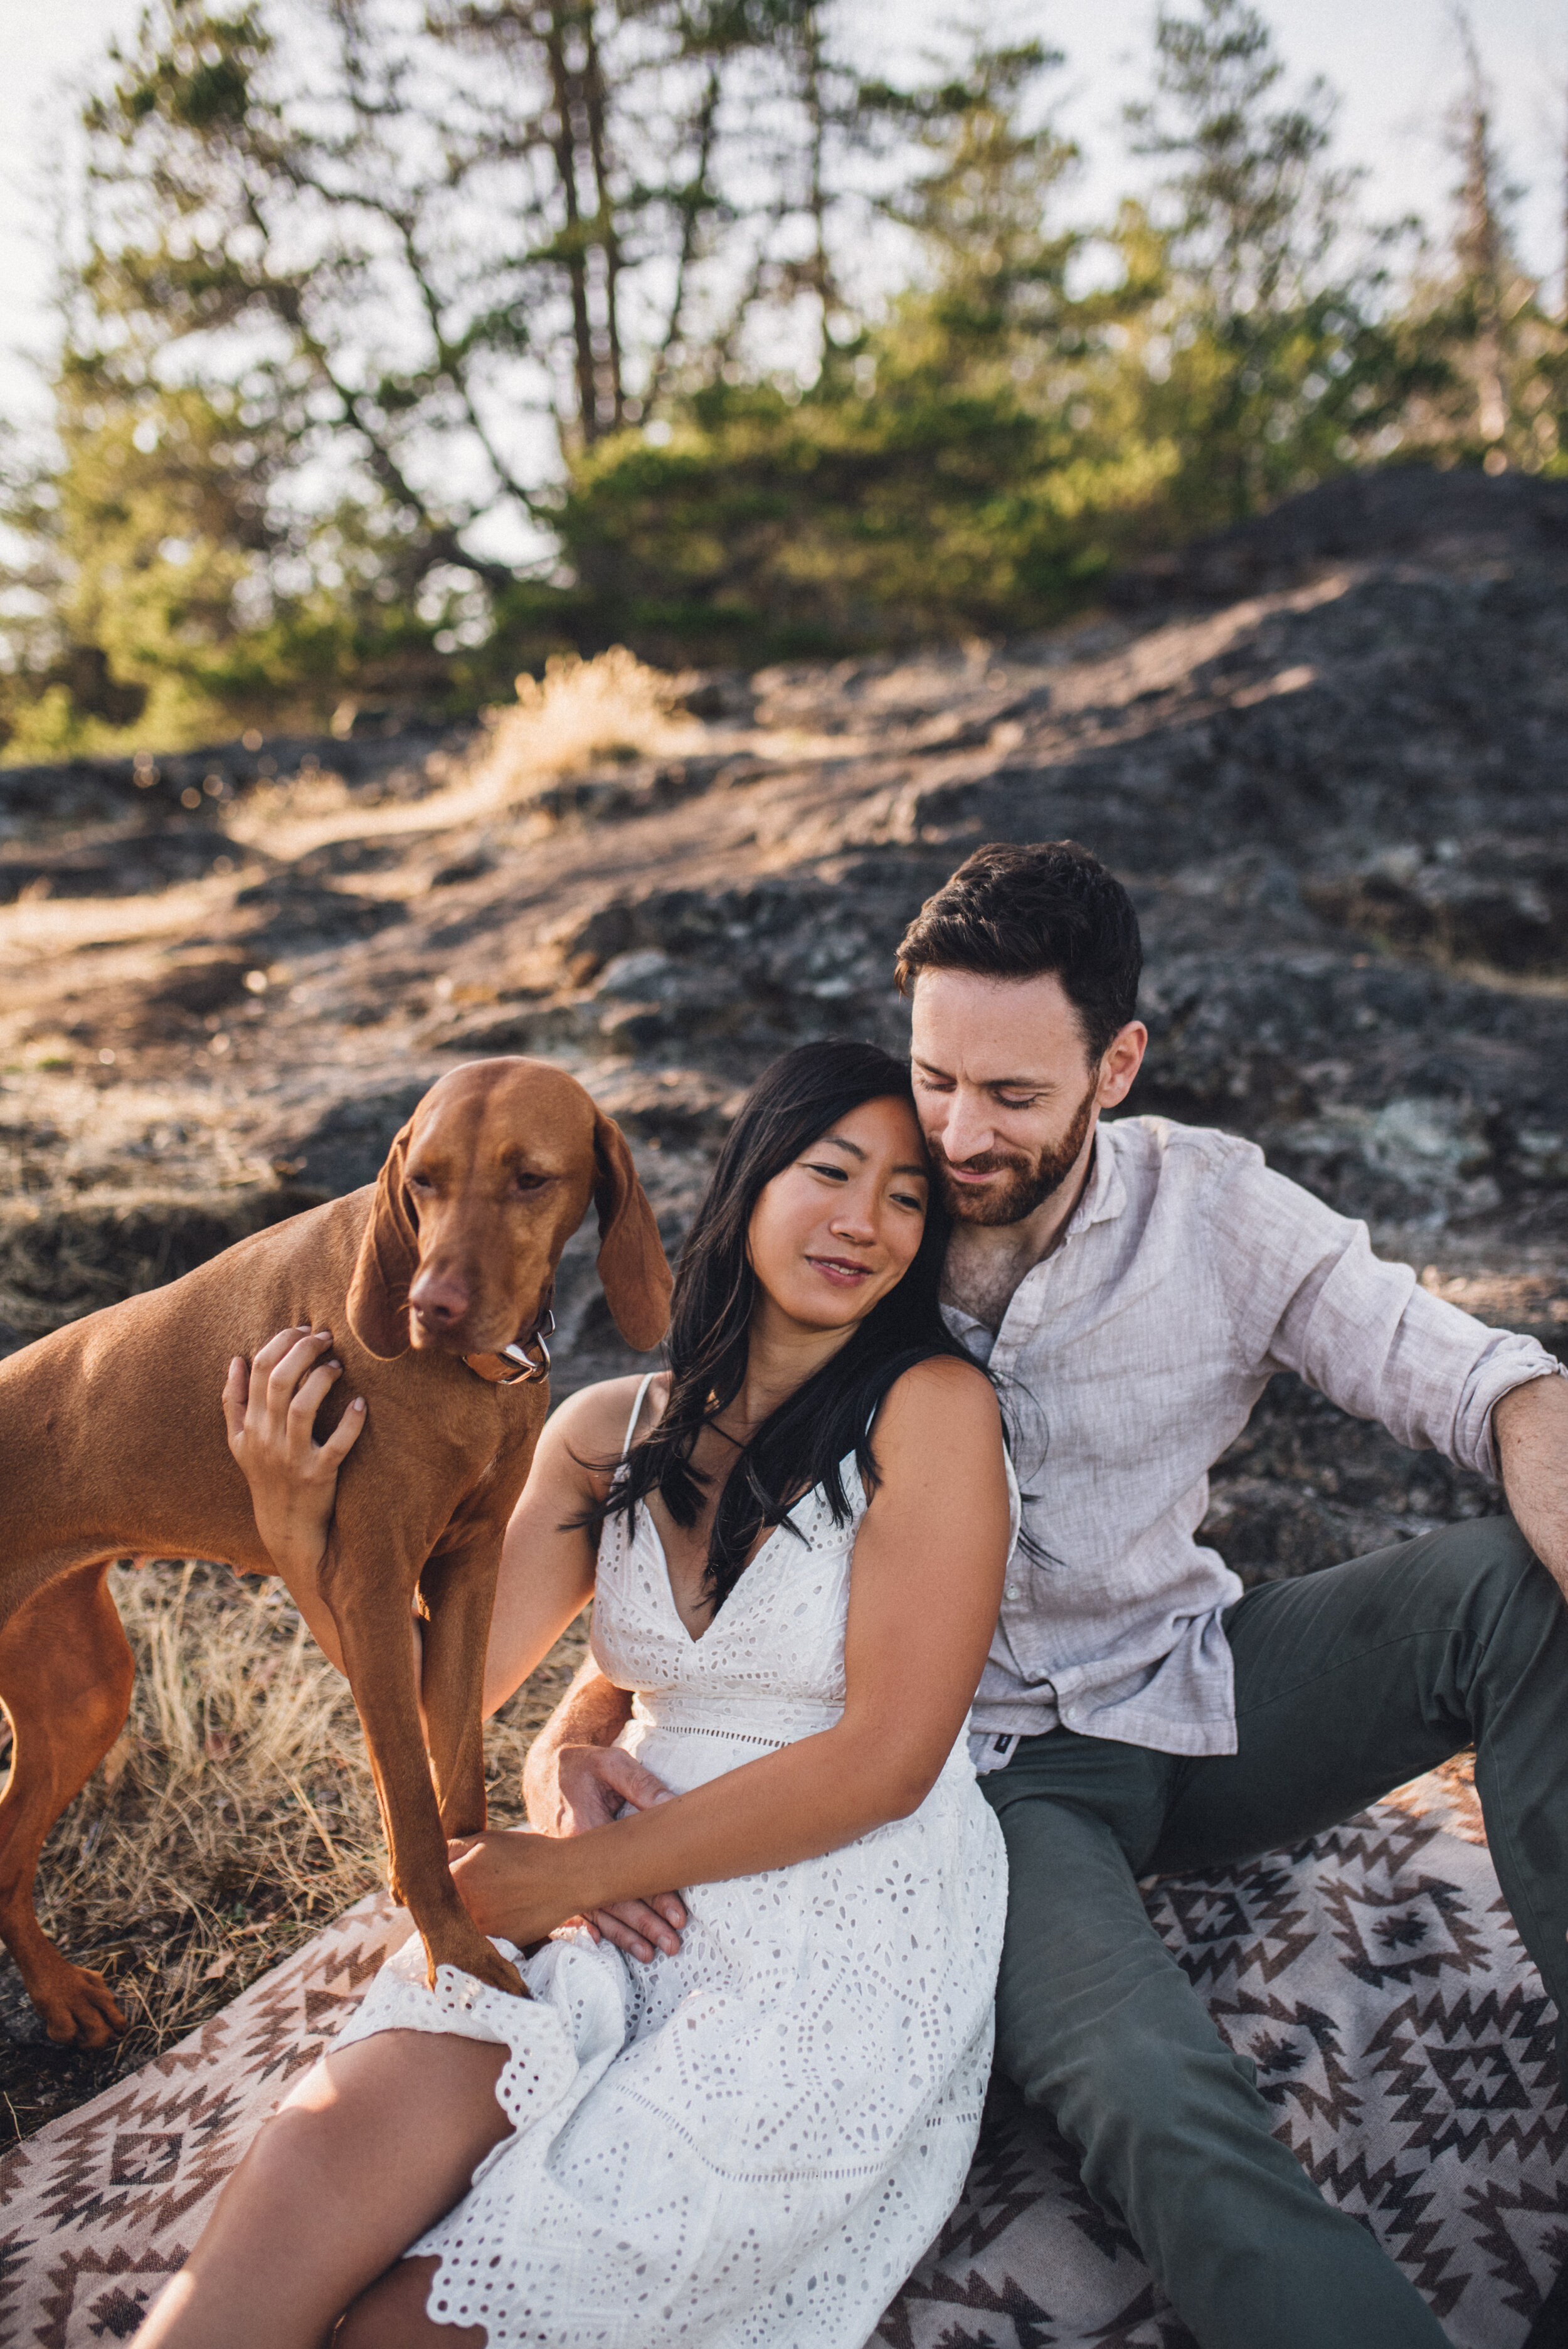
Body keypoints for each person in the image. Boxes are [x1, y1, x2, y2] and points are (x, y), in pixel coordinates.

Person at [536, 841, 1568, 2349]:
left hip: (1193, 1689)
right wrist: (580, 1726)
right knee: (1157, 2095)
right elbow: (686, 1521)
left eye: (1011, 1095)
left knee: (1508, 1590)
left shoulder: (1210, 1205)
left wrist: (1530, 1416)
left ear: (1118, 1062)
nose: (954, 1131)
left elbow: (1490, 1383)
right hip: (980, 1789)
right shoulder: (854, 1225)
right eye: (934, 1074)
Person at [140, 1039, 1015, 2349]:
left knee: (410, 2328)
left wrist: (552, 1878)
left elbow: (887, 1758)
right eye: (830, 1171)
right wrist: (292, 1517)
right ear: (748, 1180)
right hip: (606, 1884)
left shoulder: (928, 1409)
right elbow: (448, 1692)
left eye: (907, 1197)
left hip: (838, 1917)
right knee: (301, 2195)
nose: (864, 1221)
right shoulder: (600, 1429)